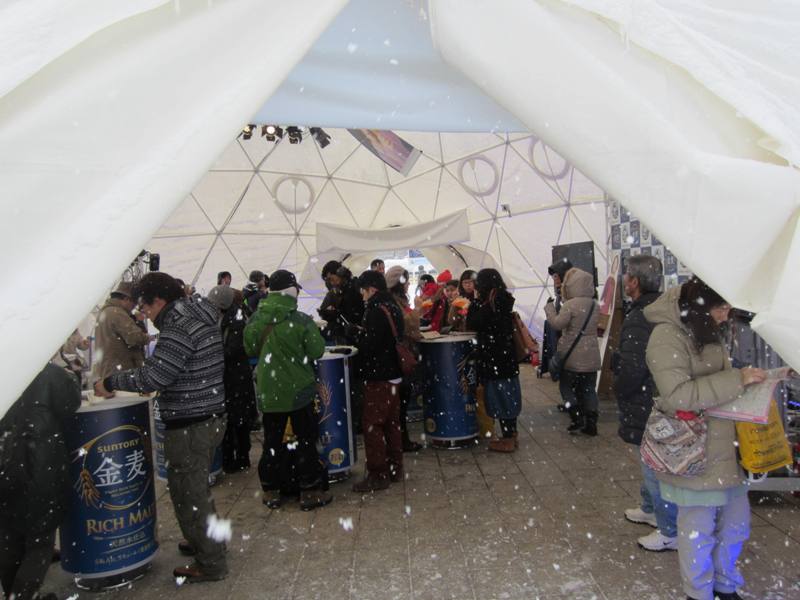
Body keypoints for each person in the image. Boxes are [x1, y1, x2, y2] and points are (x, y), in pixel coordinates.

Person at [94, 272, 228, 583]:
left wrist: (112, 381)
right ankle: (209, 541)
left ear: (159, 301)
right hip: (208, 413)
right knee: (197, 490)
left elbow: (155, 376)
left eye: (146, 308)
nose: (146, 316)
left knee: (187, 493)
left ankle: (210, 562)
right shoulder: (197, 312)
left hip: (190, 423)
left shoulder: (177, 326)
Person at [645, 277, 764, 600]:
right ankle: (698, 593)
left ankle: (726, 585)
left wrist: (748, 382)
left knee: (735, 525)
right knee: (698, 530)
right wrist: (736, 379)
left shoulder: (706, 328)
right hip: (694, 451)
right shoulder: (666, 336)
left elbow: (717, 383)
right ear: (701, 305)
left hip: (727, 448)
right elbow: (678, 395)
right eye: (721, 308)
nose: (726, 316)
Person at [243, 270, 331, 511]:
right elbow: (317, 351)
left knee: (273, 442)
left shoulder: (256, 319)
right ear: (291, 291)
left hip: (269, 393)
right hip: (299, 393)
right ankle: (309, 492)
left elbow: (249, 349)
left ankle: (271, 490)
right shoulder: (301, 320)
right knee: (305, 441)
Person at [613, 256, 678, 552]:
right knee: (649, 457)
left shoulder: (642, 315)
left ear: (635, 282)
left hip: (646, 399)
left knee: (652, 462)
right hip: (658, 395)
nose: (625, 281)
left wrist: (620, 389)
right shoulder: (661, 309)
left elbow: (632, 366)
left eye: (627, 276)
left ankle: (670, 530)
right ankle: (650, 508)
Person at [0, 364, 81, 600]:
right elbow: (70, 404)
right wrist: (72, 377)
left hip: (6, 461)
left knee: (8, 533)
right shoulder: (45, 370)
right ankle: (23, 595)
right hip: (38, 460)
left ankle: (13, 592)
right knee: (40, 537)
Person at [350, 270, 405, 492]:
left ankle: (378, 474)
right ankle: (395, 468)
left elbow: (371, 345)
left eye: (363, 290)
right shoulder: (392, 305)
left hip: (379, 376)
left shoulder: (375, 310)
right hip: (393, 373)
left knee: (373, 426)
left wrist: (354, 334)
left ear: (371, 289)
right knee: (392, 424)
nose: (362, 295)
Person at [466, 268, 521, 452]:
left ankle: (508, 439)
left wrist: (474, 302)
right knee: (508, 397)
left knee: (501, 399)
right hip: (505, 359)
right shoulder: (502, 299)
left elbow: (473, 322)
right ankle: (511, 435)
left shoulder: (491, 303)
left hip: (495, 359)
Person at [544, 267, 601, 435]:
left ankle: (576, 417)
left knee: (566, 387)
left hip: (572, 355)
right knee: (589, 389)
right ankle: (591, 422)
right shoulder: (594, 305)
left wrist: (549, 309)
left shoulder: (570, 305)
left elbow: (557, 324)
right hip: (591, 355)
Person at [208, 285, 256, 473]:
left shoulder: (236, 321)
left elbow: (233, 350)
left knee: (238, 419)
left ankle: (240, 457)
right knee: (231, 419)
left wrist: (212, 353)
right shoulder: (224, 318)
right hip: (230, 377)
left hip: (236, 378)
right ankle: (230, 457)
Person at [385, 265, 423, 452]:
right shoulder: (394, 302)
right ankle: (401, 441)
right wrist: (418, 309)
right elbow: (409, 325)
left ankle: (400, 439)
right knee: (401, 399)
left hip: (399, 355)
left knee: (401, 399)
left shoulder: (396, 300)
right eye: (406, 280)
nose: (408, 284)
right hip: (399, 356)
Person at [92, 281, 151, 381]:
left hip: (109, 370)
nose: (133, 308)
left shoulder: (106, 311)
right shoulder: (118, 313)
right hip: (121, 373)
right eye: (134, 304)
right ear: (126, 299)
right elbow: (134, 338)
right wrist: (147, 337)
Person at [318, 261, 365, 345]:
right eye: (329, 281)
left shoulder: (354, 288)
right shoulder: (340, 290)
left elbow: (354, 315)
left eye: (332, 279)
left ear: (340, 273)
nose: (332, 283)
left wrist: (336, 314)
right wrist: (328, 313)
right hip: (348, 336)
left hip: (358, 338)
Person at [543, 258, 573, 383]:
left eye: (556, 276)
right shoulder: (560, 292)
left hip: (568, 337)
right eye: (553, 277)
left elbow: (561, 320)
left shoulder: (571, 291)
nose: (554, 280)